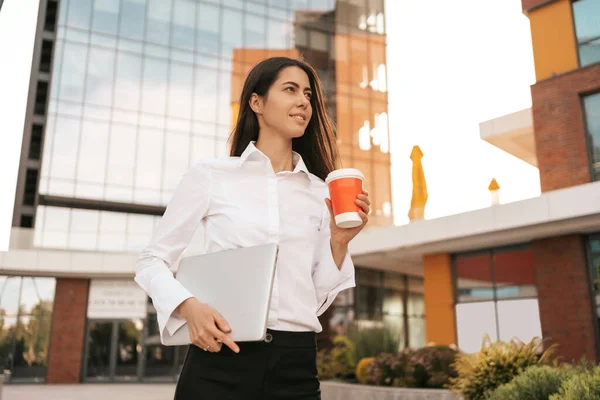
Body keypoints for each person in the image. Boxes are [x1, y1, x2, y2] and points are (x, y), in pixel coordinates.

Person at [134, 56, 370, 400]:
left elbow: (314, 298)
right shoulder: (212, 176)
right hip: (221, 357)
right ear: (256, 102)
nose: (304, 101)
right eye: (290, 89)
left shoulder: (322, 192)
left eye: (308, 94)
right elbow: (151, 260)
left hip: (296, 364)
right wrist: (188, 307)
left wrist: (338, 243)